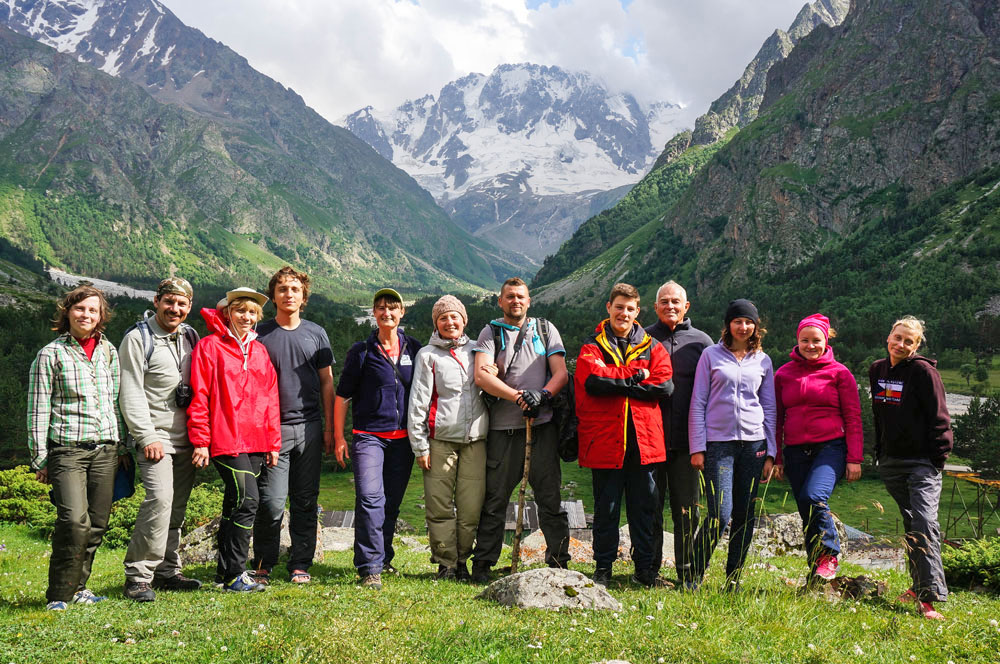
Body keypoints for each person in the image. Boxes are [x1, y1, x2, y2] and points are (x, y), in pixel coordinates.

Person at [28, 285, 125, 610]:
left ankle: (79, 587)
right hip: (66, 450)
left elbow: (113, 401)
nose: (86, 315)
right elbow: (38, 408)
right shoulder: (50, 354)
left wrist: (121, 444)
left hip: (106, 449)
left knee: (97, 523)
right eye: (80, 309)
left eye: (93, 310)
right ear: (68, 311)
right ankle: (58, 594)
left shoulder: (108, 352)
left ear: (101, 316)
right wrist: (40, 457)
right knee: (73, 521)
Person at [470, 277, 571, 584]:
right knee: (496, 498)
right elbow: (481, 376)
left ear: (529, 301)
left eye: (521, 297)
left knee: (550, 499)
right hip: (504, 430)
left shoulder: (545, 329)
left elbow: (561, 373)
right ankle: (484, 564)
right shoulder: (491, 332)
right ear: (500, 301)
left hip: (542, 428)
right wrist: (518, 397)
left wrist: (542, 396)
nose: (516, 301)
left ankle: (558, 562)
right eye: (510, 296)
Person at [576, 283, 673, 587]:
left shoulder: (653, 346)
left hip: (645, 442)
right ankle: (602, 570)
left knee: (645, 509)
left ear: (637, 311)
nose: (624, 313)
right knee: (607, 510)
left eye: (630, 308)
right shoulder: (592, 345)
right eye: (619, 307)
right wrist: (637, 375)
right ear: (609, 308)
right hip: (606, 441)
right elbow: (592, 381)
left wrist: (617, 381)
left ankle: (645, 571)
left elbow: (665, 386)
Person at [188, 288, 281, 593]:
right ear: (227, 312)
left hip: (256, 440)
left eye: (252, 313)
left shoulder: (260, 351)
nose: (247, 317)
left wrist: (273, 443)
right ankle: (237, 574)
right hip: (225, 439)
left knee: (234, 504)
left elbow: (270, 400)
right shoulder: (209, 347)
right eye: (240, 311)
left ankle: (223, 574)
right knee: (248, 500)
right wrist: (200, 440)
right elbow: (199, 395)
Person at [251, 267, 335, 585]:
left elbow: (327, 383)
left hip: (311, 427)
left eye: (295, 289)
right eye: (283, 288)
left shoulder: (316, 333)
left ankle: (301, 563)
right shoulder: (260, 333)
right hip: (272, 430)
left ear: (304, 297)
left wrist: (328, 429)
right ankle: (264, 561)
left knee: (305, 499)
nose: (289, 294)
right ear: (273, 296)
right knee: (271, 501)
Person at [120, 277, 203, 602]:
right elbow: (130, 390)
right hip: (155, 439)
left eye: (182, 304)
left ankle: (168, 571)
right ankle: (138, 576)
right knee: (159, 501)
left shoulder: (190, 337)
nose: (175, 309)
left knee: (176, 509)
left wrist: (201, 437)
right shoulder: (138, 338)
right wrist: (145, 435)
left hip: (187, 439)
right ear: (156, 301)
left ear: (189, 307)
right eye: (169, 301)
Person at [334, 288, 422, 590]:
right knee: (371, 498)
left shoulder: (414, 348)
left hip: (403, 440)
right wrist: (338, 437)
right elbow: (342, 396)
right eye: (381, 307)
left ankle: (384, 560)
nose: (387, 312)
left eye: (393, 307)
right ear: (374, 313)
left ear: (402, 313)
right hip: (369, 436)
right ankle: (369, 567)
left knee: (391, 504)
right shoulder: (361, 351)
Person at [688, 298, 776, 591]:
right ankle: (693, 575)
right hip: (719, 445)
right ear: (728, 325)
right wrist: (697, 446)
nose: (743, 326)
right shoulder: (711, 356)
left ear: (756, 326)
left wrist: (771, 452)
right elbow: (698, 402)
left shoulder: (763, 360)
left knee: (745, 515)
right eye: (737, 321)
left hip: (754, 445)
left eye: (748, 321)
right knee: (720, 514)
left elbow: (770, 407)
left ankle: (733, 579)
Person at [870, 316, 952, 620]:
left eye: (909, 341)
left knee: (924, 523)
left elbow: (940, 417)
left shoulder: (923, 372)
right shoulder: (877, 370)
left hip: (922, 463)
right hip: (891, 463)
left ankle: (928, 598)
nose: (901, 344)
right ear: (889, 336)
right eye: (898, 337)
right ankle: (918, 587)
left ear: (916, 346)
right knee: (912, 524)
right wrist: (880, 454)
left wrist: (937, 459)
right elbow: (880, 417)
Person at [773, 313, 863, 584]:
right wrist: (777, 457)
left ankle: (829, 554)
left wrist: (854, 458)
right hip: (796, 451)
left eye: (816, 340)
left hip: (830, 448)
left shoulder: (840, 373)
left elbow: (853, 417)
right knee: (806, 512)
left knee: (814, 497)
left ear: (826, 340)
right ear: (797, 341)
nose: (810, 345)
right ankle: (817, 575)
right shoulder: (783, 374)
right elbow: (775, 418)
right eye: (805, 340)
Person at [407, 295, 489, 581]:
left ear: (464, 320)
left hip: (475, 441)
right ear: (436, 324)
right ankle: (446, 564)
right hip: (439, 441)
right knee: (439, 506)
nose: (449, 322)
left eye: (455, 316)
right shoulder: (427, 355)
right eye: (443, 318)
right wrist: (420, 446)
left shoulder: (480, 350)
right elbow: (418, 402)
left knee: (470, 508)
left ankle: (463, 560)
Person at [644, 280, 712, 587]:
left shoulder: (702, 342)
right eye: (664, 301)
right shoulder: (642, 337)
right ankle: (650, 570)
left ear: (686, 307)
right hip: (649, 440)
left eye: (676, 302)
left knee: (687, 510)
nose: (670, 306)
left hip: (688, 443)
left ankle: (687, 572)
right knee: (650, 507)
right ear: (655, 306)